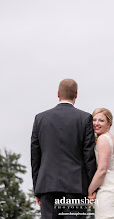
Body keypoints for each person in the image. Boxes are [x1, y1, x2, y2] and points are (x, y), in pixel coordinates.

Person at [31, 79, 97, 218]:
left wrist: (37, 189)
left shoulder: (40, 119)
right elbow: (88, 155)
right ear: (76, 95)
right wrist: (92, 188)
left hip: (47, 186)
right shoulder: (85, 118)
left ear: (58, 93)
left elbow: (35, 157)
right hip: (76, 187)